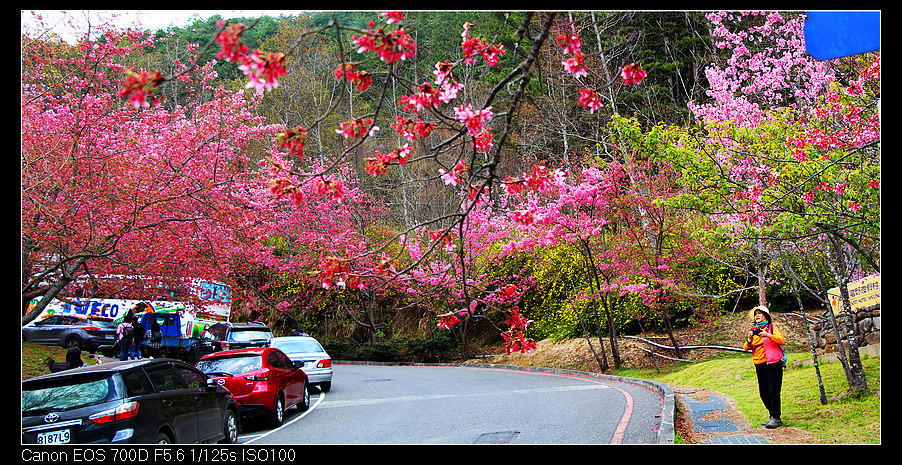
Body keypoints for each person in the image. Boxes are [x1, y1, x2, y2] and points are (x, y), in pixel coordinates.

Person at [742, 305, 786, 429]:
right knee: (763, 393)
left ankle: (775, 417)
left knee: (773, 390)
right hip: (759, 364)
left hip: (773, 362)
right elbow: (746, 348)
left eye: (760, 313)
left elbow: (781, 341)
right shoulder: (754, 331)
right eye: (755, 314)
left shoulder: (772, 328)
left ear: (765, 315)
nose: (757, 316)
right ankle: (773, 415)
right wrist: (750, 339)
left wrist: (767, 335)